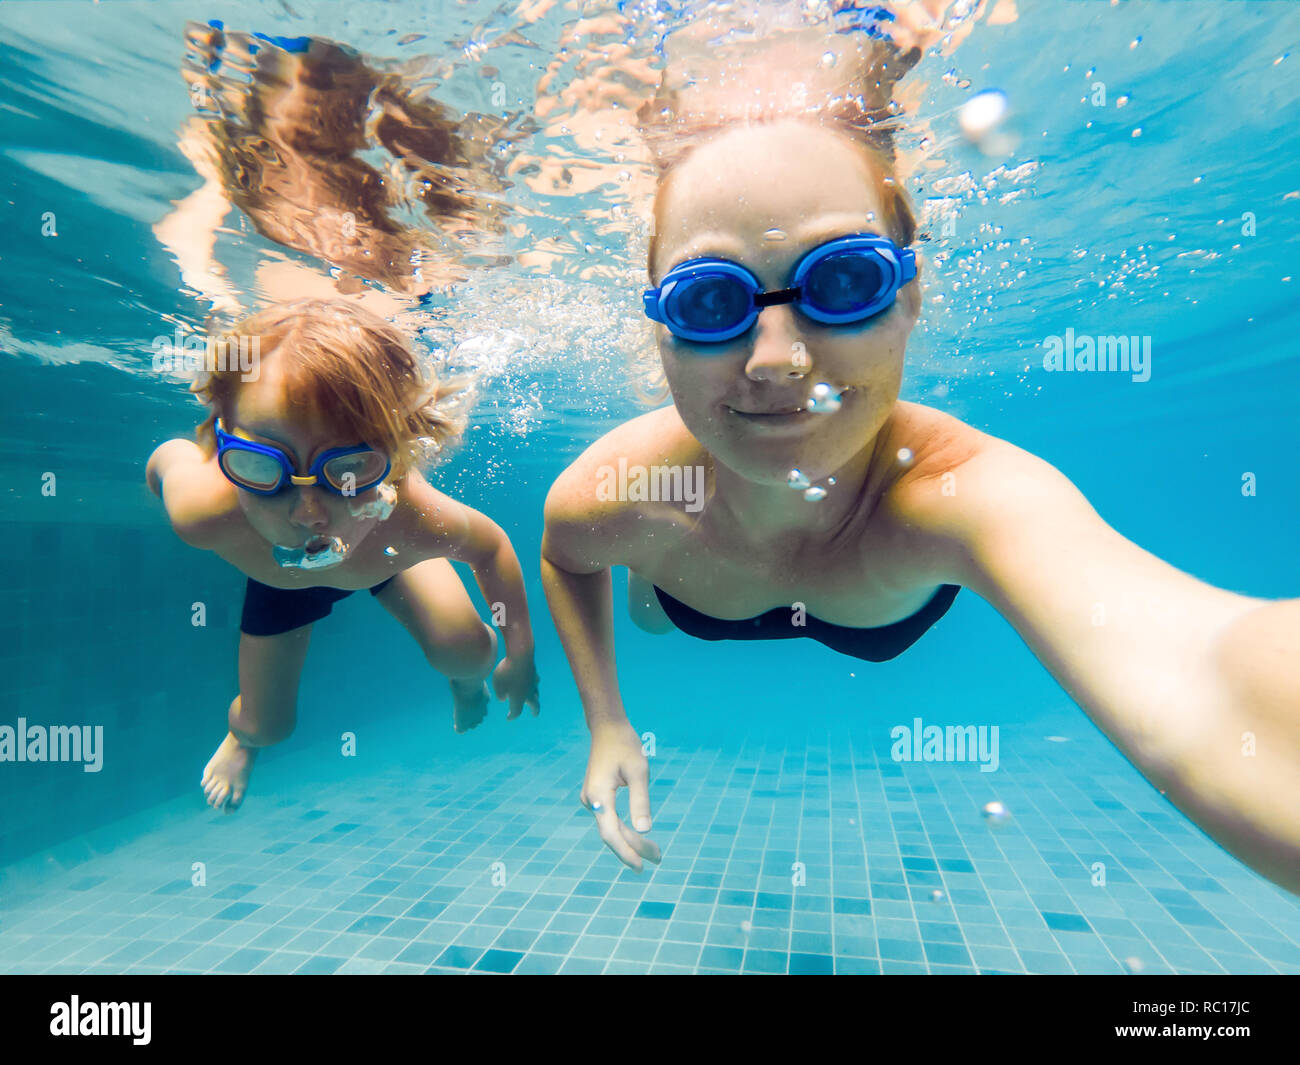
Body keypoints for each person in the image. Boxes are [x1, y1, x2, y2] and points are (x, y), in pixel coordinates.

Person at [539, 6, 1300, 896]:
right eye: (711, 304)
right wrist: (608, 723)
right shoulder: (619, 489)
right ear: (660, 331)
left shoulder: (962, 492)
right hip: (685, 585)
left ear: (909, 296)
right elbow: (563, 555)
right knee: (650, 608)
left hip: (792, 572)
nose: (778, 358)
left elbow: (1205, 666)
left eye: (846, 280)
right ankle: (657, 579)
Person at [147, 299, 540, 811]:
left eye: (349, 469)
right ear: (226, 453)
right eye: (260, 466)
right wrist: (186, 458)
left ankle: (465, 686)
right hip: (279, 580)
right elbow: (167, 460)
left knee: (470, 654)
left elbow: (491, 547)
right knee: (267, 727)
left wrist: (520, 651)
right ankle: (243, 742)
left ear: (394, 459)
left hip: (384, 547)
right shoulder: (202, 511)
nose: (309, 513)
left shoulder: (412, 517)